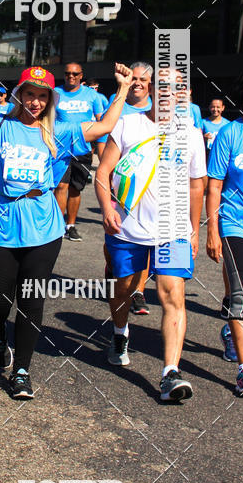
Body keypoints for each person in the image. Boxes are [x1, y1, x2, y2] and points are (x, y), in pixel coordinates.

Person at [0, 50, 132, 400]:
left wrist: (122, 89)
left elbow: (104, 126)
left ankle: (22, 371)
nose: (35, 101)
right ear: (19, 94)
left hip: (43, 224)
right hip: (0, 220)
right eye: (30, 93)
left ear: (50, 99)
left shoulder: (58, 131)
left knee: (31, 299)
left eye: (42, 95)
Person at [95, 70, 206, 402]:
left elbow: (196, 184)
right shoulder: (129, 124)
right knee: (124, 288)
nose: (170, 93)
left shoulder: (192, 133)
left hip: (173, 231)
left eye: (178, 88)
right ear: (154, 90)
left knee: (173, 295)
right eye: (164, 86)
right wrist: (106, 208)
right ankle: (119, 332)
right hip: (127, 228)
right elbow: (103, 172)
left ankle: (170, 372)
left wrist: (194, 228)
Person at [206, 71, 243, 396]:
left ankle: (231, 330)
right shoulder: (231, 133)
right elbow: (214, 184)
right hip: (235, 224)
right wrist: (213, 229)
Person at [97, 62, 153, 314]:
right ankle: (114, 271)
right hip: (117, 191)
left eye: (144, 79)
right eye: (134, 79)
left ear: (151, 85)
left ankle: (138, 290)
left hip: (150, 196)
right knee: (115, 247)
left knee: (145, 246)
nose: (138, 83)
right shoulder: (117, 103)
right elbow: (103, 142)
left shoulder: (163, 110)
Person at [54, 61, 105, 241]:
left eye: (75, 74)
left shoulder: (92, 95)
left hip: (82, 148)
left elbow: (101, 122)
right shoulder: (56, 93)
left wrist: (102, 149)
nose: (71, 77)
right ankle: (58, 225)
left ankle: (71, 225)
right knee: (60, 186)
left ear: (81, 75)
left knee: (76, 188)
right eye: (68, 73)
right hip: (60, 147)